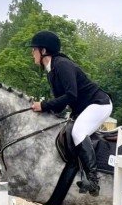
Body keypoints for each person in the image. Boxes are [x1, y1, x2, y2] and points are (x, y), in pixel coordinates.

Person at [29, 30, 112, 196]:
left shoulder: (62, 64)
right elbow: (60, 104)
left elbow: (71, 95)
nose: (32, 53)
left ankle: (93, 180)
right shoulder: (51, 70)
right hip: (84, 108)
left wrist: (44, 105)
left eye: (34, 49)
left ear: (43, 51)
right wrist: (41, 111)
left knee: (78, 132)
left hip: (99, 104)